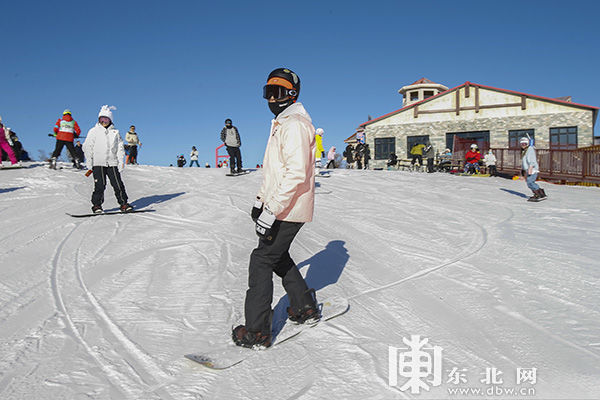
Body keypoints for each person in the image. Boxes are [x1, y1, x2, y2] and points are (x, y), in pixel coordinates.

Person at [232, 67, 319, 349]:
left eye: (278, 92)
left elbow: (295, 174)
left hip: (288, 207)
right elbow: (274, 171)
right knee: (277, 256)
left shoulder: (294, 125)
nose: (272, 97)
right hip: (282, 205)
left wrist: (274, 209)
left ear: (292, 95)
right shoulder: (283, 123)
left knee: (262, 260)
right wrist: (261, 202)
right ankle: (304, 306)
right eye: (268, 92)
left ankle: (257, 331)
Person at [83, 105, 133, 214]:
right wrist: (89, 161)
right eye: (101, 119)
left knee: (118, 184)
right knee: (100, 185)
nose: (104, 122)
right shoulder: (93, 131)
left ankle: (123, 203)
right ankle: (97, 205)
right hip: (98, 163)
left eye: (106, 119)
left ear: (110, 120)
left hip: (112, 163)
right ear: (98, 120)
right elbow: (87, 147)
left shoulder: (115, 132)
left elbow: (120, 148)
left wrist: (120, 162)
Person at [520, 137, 547, 201]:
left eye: (525, 144)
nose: (523, 145)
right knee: (530, 182)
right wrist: (523, 169)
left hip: (532, 169)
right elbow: (525, 161)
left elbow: (532, 160)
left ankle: (538, 194)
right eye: (522, 144)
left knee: (530, 182)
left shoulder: (530, 149)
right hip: (528, 169)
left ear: (527, 144)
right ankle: (541, 193)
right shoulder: (525, 151)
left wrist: (530, 168)